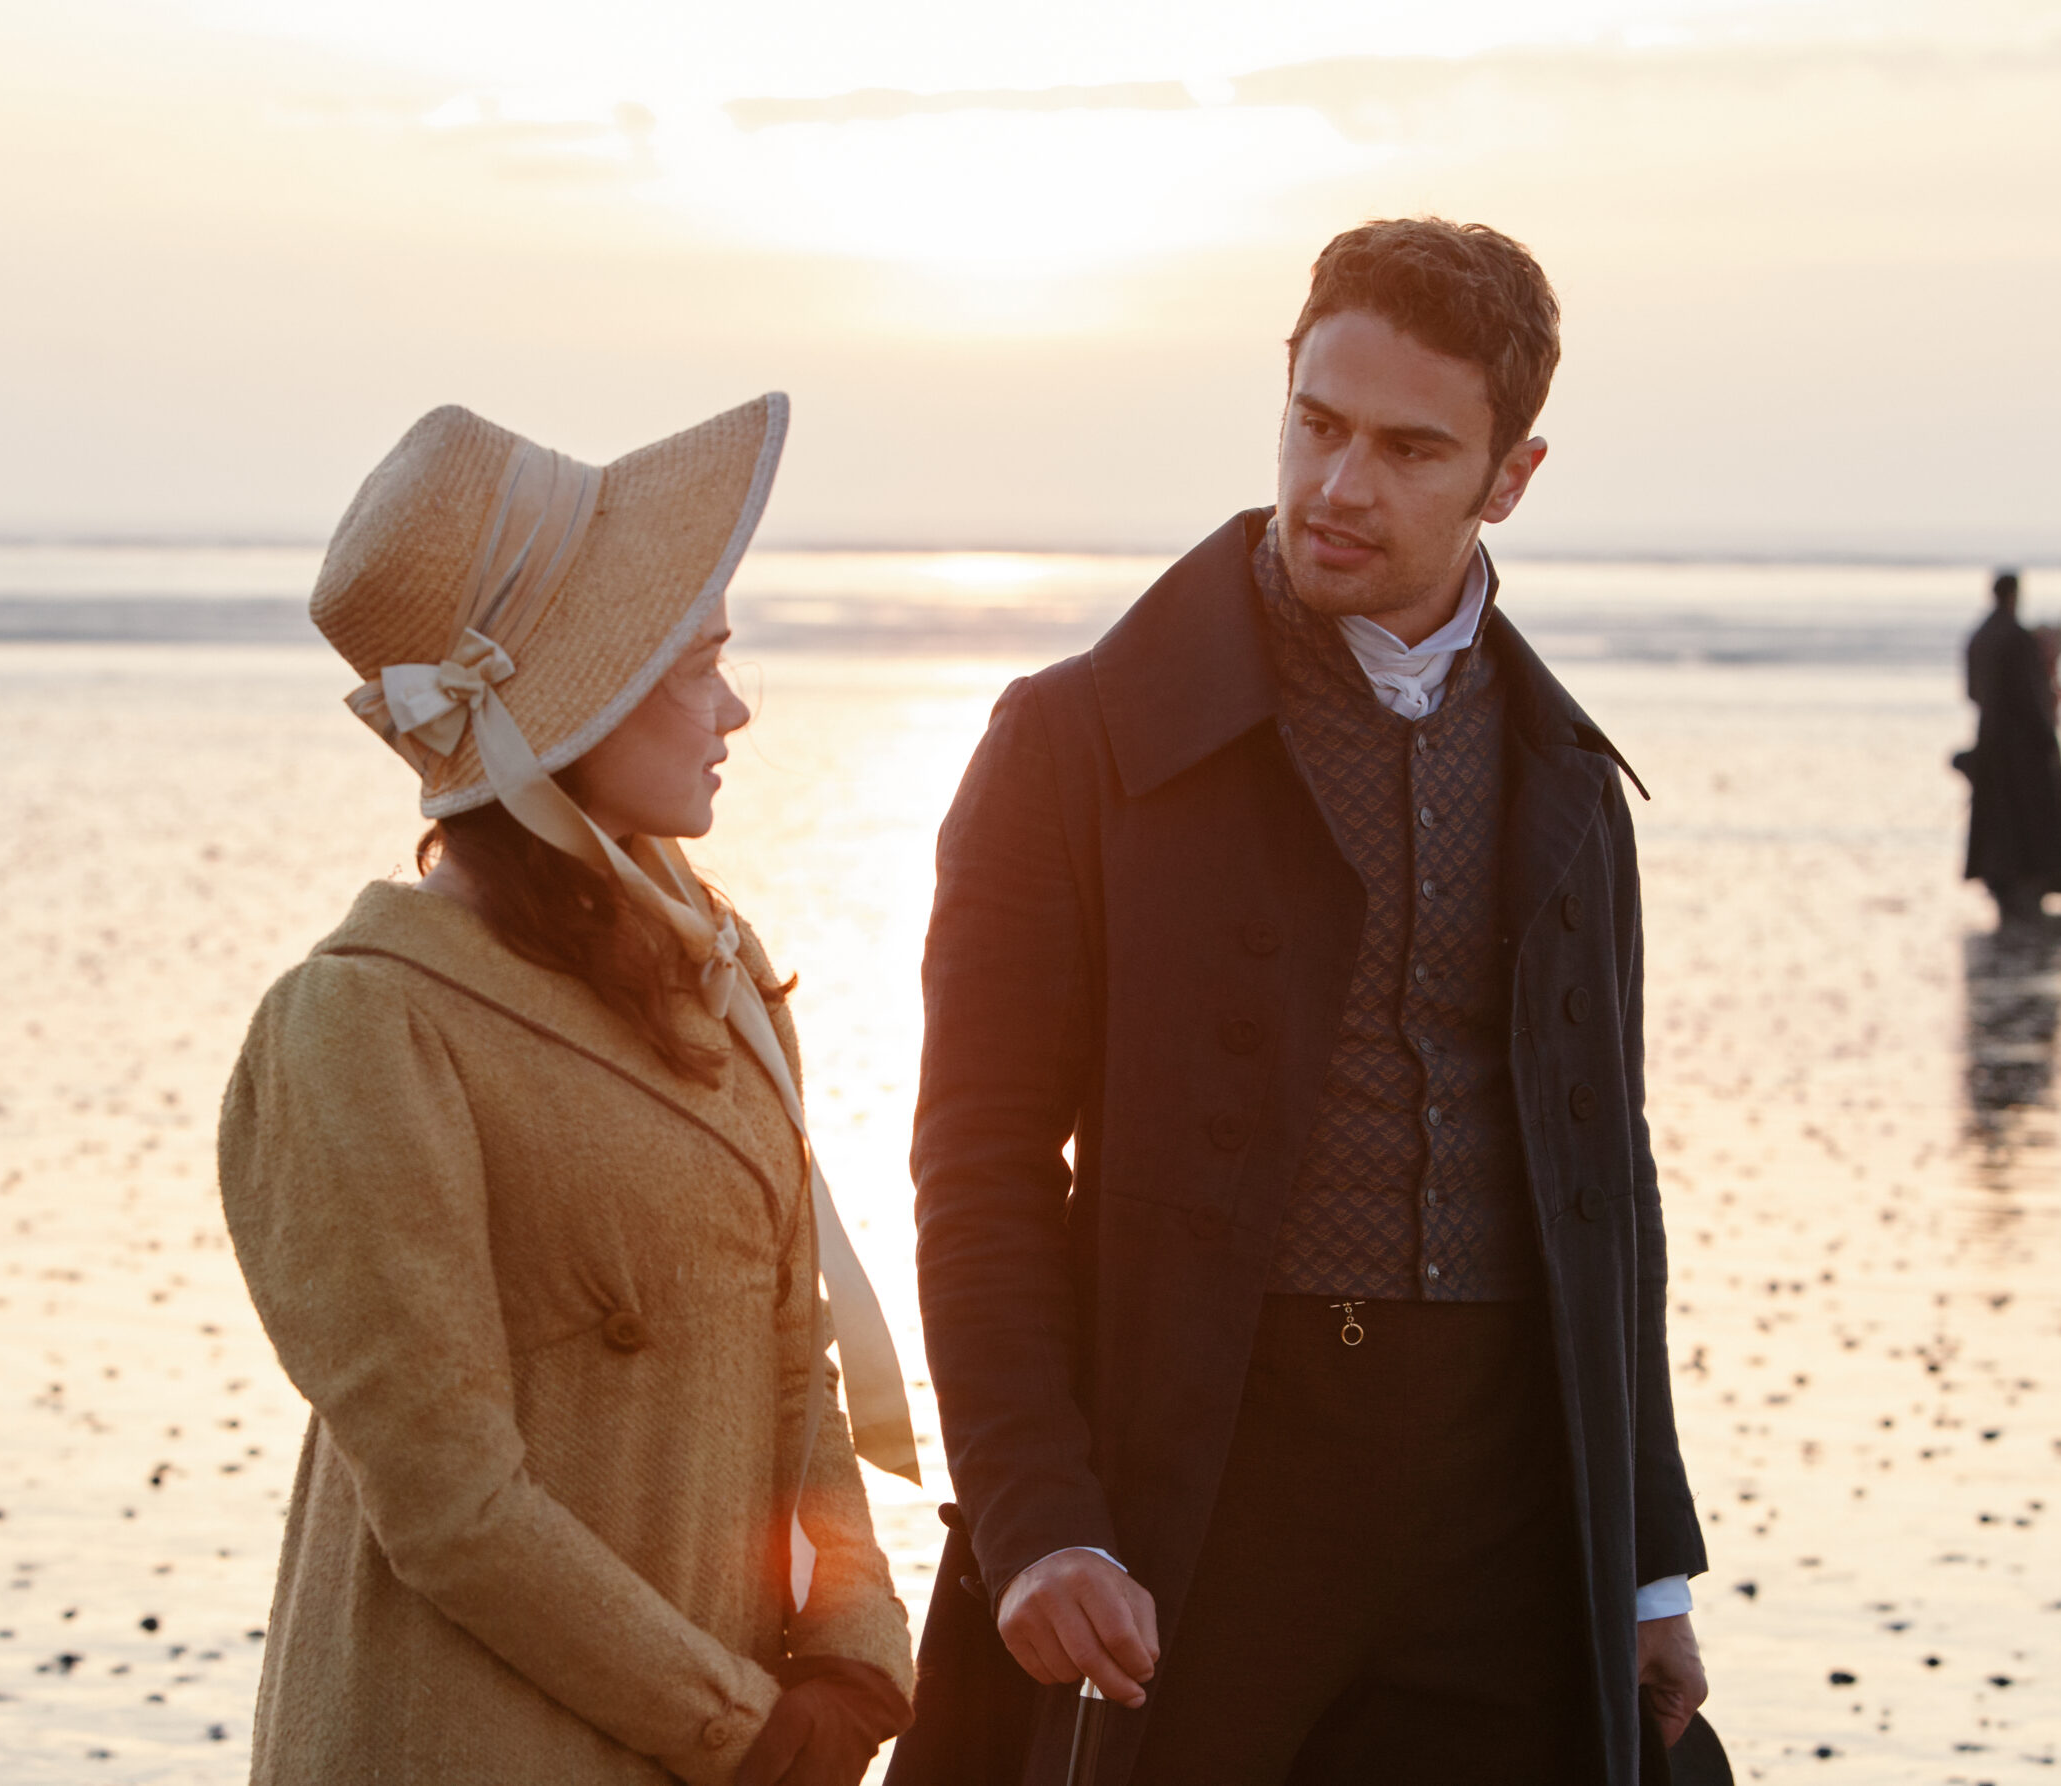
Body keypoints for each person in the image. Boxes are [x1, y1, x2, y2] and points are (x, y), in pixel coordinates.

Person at [887, 220, 1708, 1786]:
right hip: (1196, 1496)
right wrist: (1038, 1515)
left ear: (1510, 476)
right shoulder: (1072, 744)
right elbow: (979, 1170)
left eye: (1410, 449)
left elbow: (1612, 1188)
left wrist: (1645, 1561)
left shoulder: (1566, 782)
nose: (1340, 486)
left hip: (1505, 1509)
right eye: (1318, 425)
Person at [219, 394, 918, 1785]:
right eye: (700, 661)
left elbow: (796, 1362)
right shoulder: (362, 1022)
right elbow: (451, 1502)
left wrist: (851, 1638)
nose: (732, 708)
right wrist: (742, 1724)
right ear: (578, 698)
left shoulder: (708, 964)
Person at [1957, 570, 2061, 922]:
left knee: (1997, 812)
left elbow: (1971, 691)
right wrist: (2044, 732)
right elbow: (2031, 693)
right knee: (2033, 810)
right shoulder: (2015, 638)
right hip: (2022, 742)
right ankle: (2037, 875)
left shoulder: (1980, 636)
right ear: (2014, 595)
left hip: (1991, 735)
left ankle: (2004, 874)